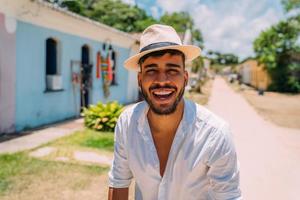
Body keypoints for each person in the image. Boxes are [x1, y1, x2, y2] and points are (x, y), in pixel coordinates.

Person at [108, 24, 242, 200]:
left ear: (185, 78)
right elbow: (118, 183)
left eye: (172, 70)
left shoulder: (215, 134)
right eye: (151, 70)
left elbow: (228, 196)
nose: (162, 80)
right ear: (140, 79)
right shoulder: (127, 123)